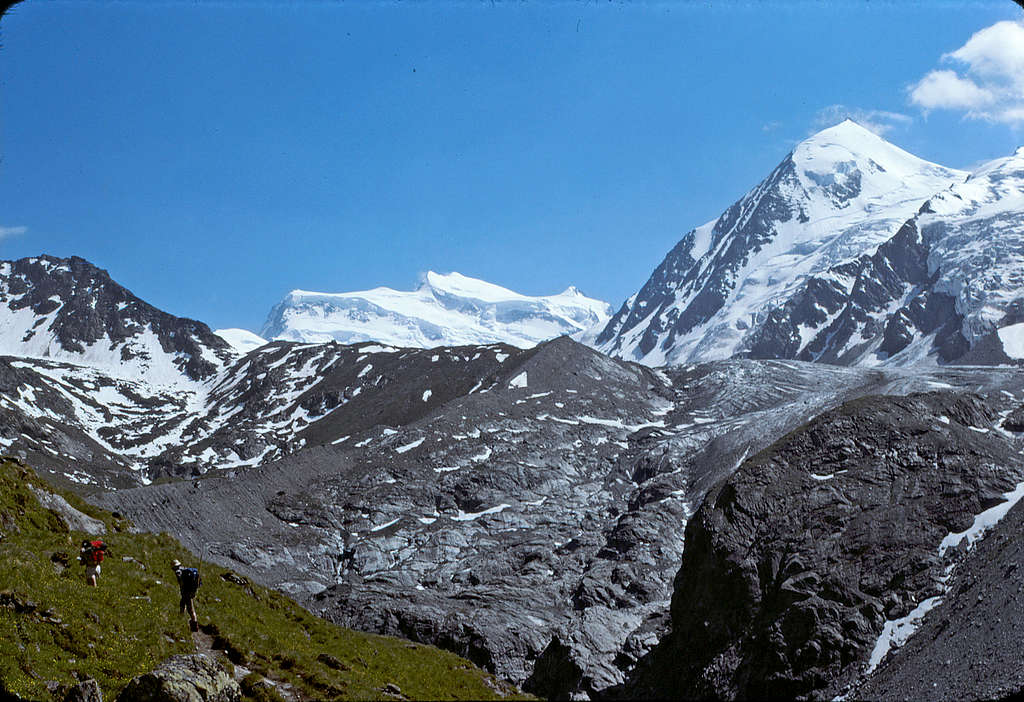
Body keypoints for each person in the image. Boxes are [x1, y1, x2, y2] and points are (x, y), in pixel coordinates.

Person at [172, 559, 201, 632]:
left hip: (186, 593)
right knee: (183, 604)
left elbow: (181, 583)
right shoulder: (185, 569)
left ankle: (194, 627)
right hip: (190, 592)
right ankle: (181, 619)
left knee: (190, 609)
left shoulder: (178, 572)